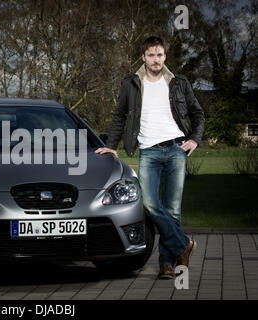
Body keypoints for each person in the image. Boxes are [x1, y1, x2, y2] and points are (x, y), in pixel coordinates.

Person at [95, 36, 205, 279]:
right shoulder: (131, 83)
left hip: (177, 150)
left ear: (165, 57)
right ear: (143, 57)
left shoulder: (178, 83)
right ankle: (184, 245)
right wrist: (111, 145)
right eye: (151, 55)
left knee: (173, 209)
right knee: (150, 204)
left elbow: (198, 113)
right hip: (149, 152)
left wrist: (194, 139)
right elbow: (119, 116)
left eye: (160, 55)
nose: (156, 59)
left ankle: (166, 264)